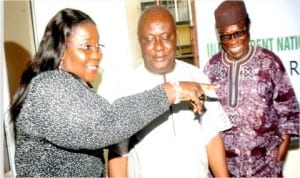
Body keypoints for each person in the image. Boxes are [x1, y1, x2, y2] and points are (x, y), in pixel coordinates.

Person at [10, 8, 213, 177]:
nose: (96, 54)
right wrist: (173, 90)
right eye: (86, 47)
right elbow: (106, 125)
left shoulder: (76, 89)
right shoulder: (48, 88)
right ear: (61, 49)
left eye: (97, 46)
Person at [107, 5, 232, 178]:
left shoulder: (196, 77)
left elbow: (211, 138)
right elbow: (119, 154)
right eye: (149, 39)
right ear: (139, 40)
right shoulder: (126, 88)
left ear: (176, 37)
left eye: (166, 37)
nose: (158, 47)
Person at [203, 0, 300, 177]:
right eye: (226, 36)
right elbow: (205, 122)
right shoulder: (211, 69)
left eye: (239, 33)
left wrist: (277, 161)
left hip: (265, 171)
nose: (233, 41)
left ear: (248, 25)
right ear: (219, 35)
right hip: (224, 172)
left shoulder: (269, 63)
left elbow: (290, 115)